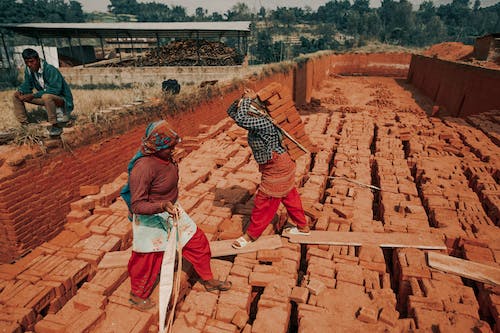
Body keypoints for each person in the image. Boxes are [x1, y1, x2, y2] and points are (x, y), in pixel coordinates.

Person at [123, 120, 231, 310]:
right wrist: (162, 205)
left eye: (174, 146)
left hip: (171, 210)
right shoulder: (144, 167)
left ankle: (208, 279)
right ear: (156, 148)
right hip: (151, 217)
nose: (173, 150)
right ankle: (137, 295)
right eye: (169, 147)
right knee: (147, 260)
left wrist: (168, 205)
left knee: (198, 242)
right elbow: (137, 205)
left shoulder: (167, 158)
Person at [227, 88, 311, 249]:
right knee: (288, 195)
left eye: (250, 107)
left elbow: (241, 119)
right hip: (280, 163)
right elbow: (233, 113)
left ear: (256, 109)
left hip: (278, 166)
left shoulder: (265, 122)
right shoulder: (258, 117)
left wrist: (247, 100)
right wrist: (241, 100)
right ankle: (303, 227)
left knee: (264, 201)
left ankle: (251, 235)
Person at [13, 48, 74, 136]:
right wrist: (21, 91)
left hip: (61, 100)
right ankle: (24, 124)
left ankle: (55, 125)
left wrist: (34, 95)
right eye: (27, 62)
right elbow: (27, 85)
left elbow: (55, 90)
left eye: (32, 61)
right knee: (16, 95)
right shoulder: (29, 70)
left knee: (46, 96)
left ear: (38, 60)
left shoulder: (50, 69)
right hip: (46, 98)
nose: (29, 64)